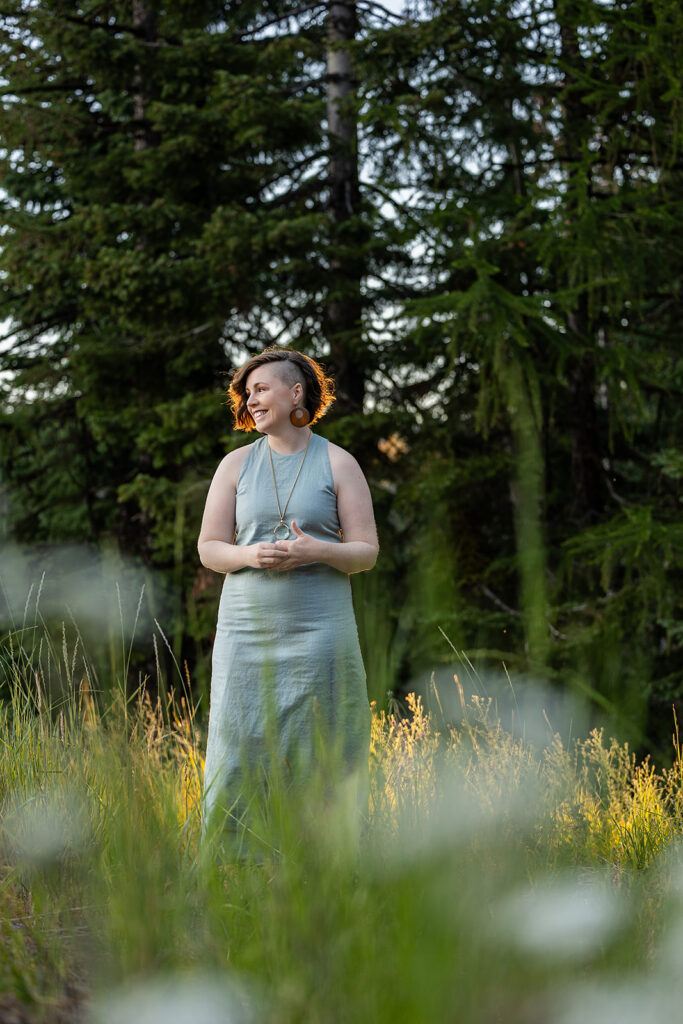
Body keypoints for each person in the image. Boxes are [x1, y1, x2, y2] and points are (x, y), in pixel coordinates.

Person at [198, 347, 378, 843]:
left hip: (321, 632)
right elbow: (210, 549)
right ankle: (233, 861)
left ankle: (324, 856)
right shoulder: (235, 465)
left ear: (296, 392)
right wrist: (249, 555)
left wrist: (317, 551)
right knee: (239, 743)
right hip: (245, 633)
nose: (251, 401)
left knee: (324, 741)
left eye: (261, 389)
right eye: (247, 393)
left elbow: (365, 553)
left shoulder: (339, 462)